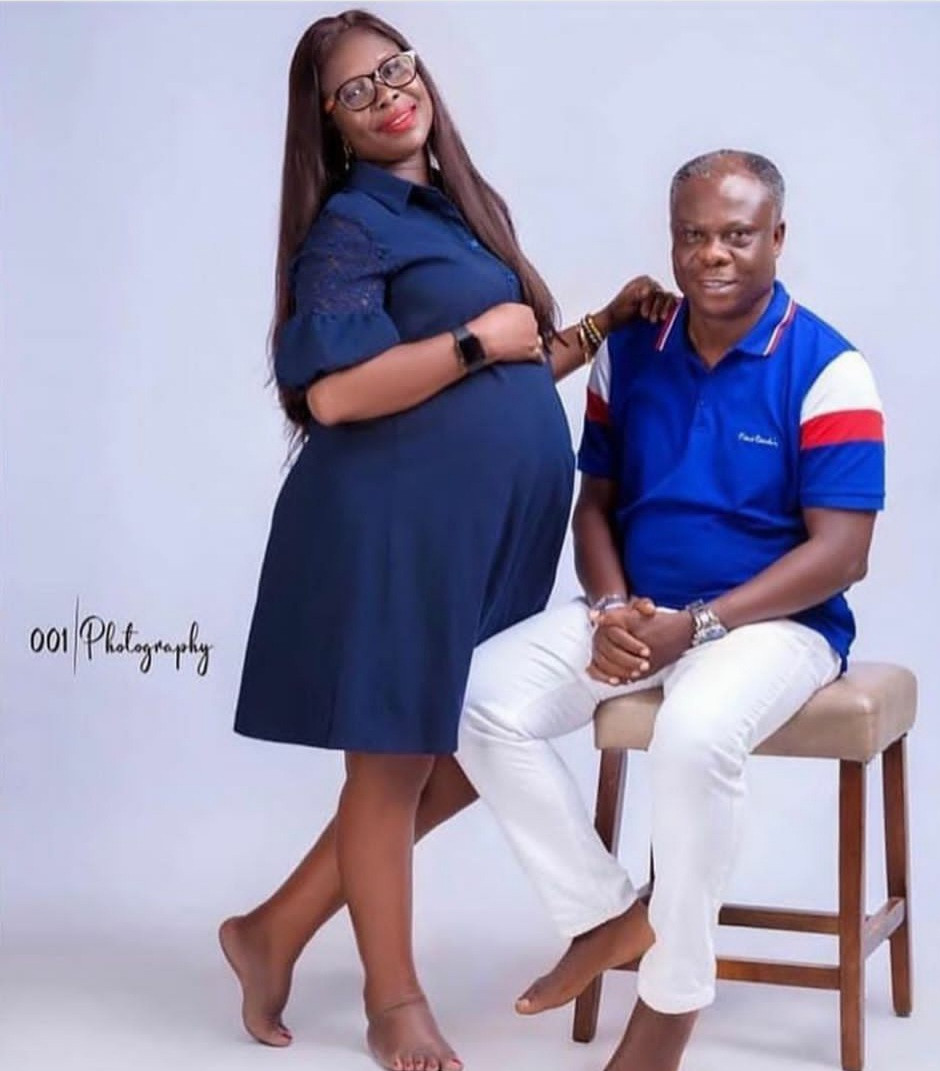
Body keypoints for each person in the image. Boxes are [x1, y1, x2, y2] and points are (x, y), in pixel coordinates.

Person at [221, 10, 672, 1071]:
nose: (389, 96)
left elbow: (513, 363)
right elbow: (334, 396)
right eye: (357, 90)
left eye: (396, 70)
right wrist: (474, 339)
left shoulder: (466, 207)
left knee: (463, 745)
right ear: (329, 122)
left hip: (482, 539)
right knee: (390, 768)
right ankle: (393, 1002)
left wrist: (603, 324)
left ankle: (272, 929)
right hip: (389, 529)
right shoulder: (350, 227)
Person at [454, 150, 887, 1071]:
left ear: (778, 237)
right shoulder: (632, 352)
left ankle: (671, 1002)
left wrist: (696, 627)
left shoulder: (829, 366)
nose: (711, 255)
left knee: (693, 735)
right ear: (671, 238)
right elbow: (596, 505)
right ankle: (606, 915)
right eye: (693, 235)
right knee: (478, 697)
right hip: (638, 608)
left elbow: (843, 552)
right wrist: (612, 606)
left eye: (736, 234)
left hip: (777, 627)